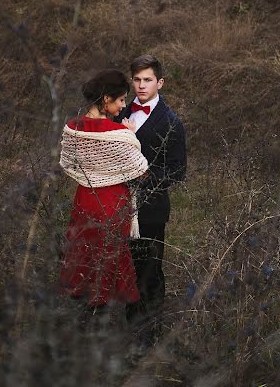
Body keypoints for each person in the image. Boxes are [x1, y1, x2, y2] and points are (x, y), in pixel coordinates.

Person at [58, 69, 148, 314]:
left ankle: (86, 313)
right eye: (120, 100)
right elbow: (140, 171)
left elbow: (68, 164)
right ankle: (103, 318)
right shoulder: (118, 134)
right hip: (111, 203)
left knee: (85, 254)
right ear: (106, 99)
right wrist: (131, 136)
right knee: (109, 257)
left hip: (84, 200)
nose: (123, 106)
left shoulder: (72, 127)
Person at [115, 54, 187, 345]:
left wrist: (142, 177)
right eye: (137, 80)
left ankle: (150, 333)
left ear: (160, 82)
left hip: (151, 208)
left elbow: (178, 171)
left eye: (148, 80)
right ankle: (131, 325)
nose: (141, 85)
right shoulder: (119, 113)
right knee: (126, 266)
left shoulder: (171, 122)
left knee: (149, 269)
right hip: (118, 205)